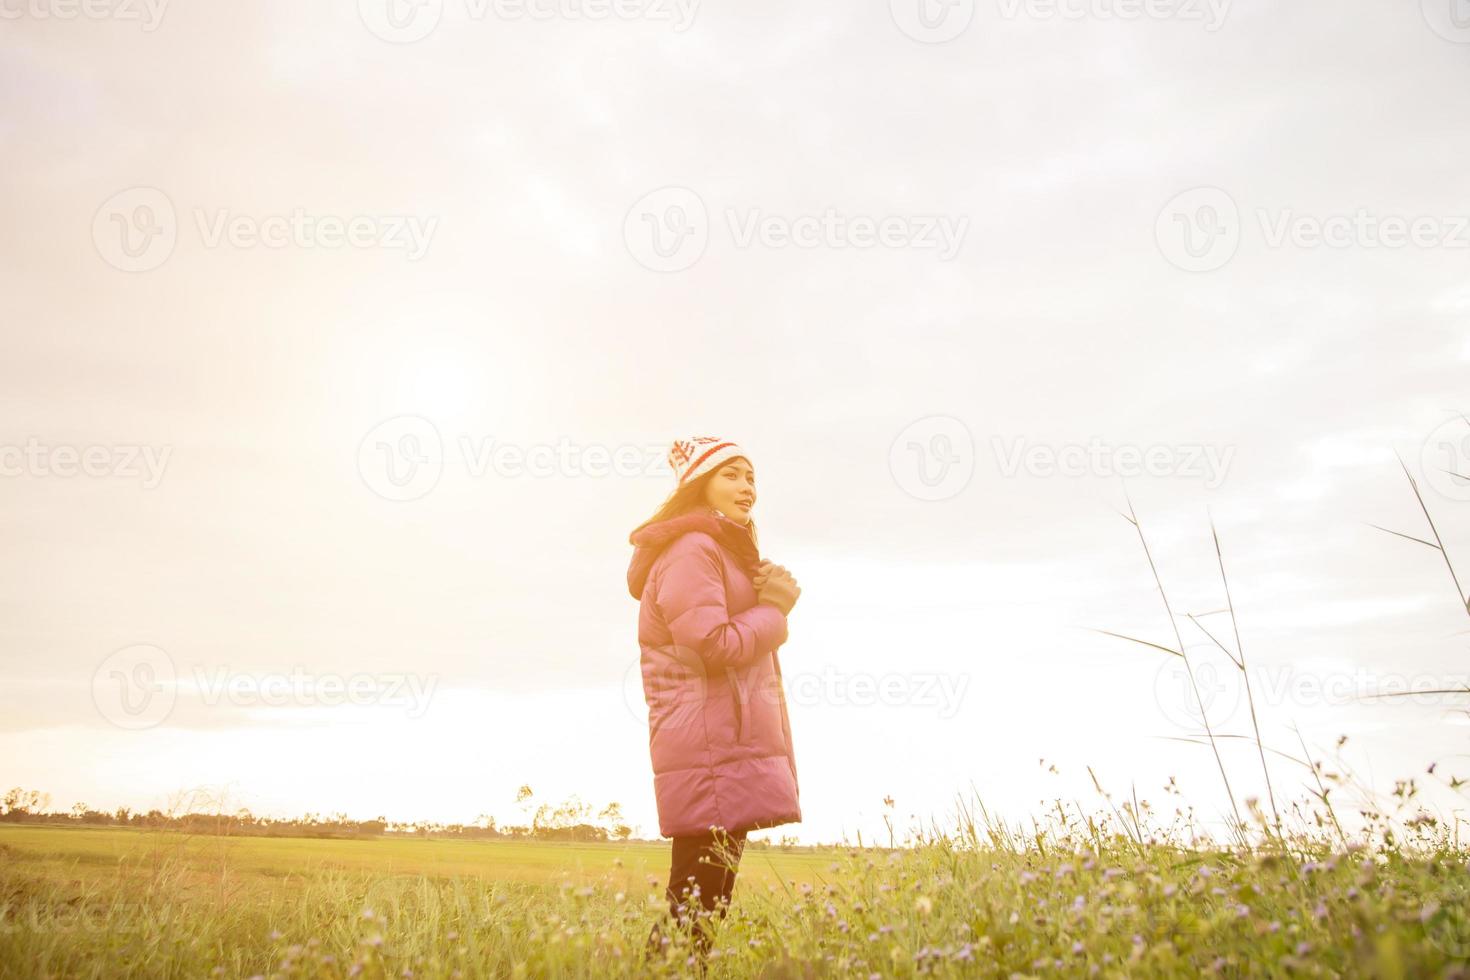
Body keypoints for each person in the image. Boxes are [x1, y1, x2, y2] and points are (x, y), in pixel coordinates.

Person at [626, 436, 803, 965]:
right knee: (695, 907)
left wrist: (763, 587)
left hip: (724, 743)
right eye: (731, 474)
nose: (747, 486)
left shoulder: (715, 550)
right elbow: (709, 645)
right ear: (698, 483)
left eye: (750, 476)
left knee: (703, 906)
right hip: (708, 745)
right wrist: (775, 609)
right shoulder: (692, 549)